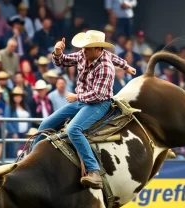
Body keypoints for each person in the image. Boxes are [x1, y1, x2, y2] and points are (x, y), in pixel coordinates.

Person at [33, 30, 136, 188]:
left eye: (87, 48)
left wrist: (77, 97)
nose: (83, 51)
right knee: (46, 123)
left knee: (74, 129)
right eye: (83, 47)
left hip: (99, 103)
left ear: (98, 50)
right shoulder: (85, 54)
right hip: (81, 100)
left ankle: (93, 170)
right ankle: (31, 160)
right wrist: (58, 52)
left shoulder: (106, 67)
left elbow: (98, 94)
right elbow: (63, 61)